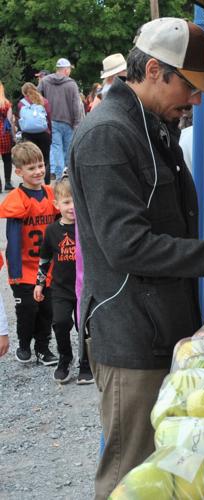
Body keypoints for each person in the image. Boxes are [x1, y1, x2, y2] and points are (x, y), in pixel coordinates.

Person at [69, 18, 204, 498]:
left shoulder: (154, 125)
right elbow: (128, 246)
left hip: (164, 327)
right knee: (131, 474)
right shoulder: (108, 133)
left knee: (168, 470)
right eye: (190, 85)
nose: (197, 100)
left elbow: (171, 223)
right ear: (155, 71)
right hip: (132, 337)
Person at [0, 141, 59, 365]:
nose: (38, 171)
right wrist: (14, 274)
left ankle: (43, 348)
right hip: (24, 267)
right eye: (31, 168)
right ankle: (24, 344)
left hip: (47, 267)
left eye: (41, 165)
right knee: (27, 309)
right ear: (18, 172)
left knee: (46, 309)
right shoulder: (18, 200)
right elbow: (13, 241)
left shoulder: (50, 194)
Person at [33, 176, 93, 384]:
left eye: (76, 200)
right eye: (67, 202)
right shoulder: (52, 231)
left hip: (85, 288)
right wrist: (39, 283)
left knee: (85, 326)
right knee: (60, 323)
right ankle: (65, 359)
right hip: (60, 289)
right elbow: (44, 259)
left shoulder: (87, 227)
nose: (72, 207)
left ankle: (86, 363)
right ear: (56, 204)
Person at [38, 57, 83, 180]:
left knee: (56, 147)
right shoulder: (71, 84)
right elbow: (76, 105)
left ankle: (57, 174)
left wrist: (44, 111)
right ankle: (68, 174)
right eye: (69, 69)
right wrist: (77, 123)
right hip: (68, 121)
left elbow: (37, 97)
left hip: (51, 120)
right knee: (68, 148)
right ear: (66, 70)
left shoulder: (45, 81)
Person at [18, 82, 52, 185]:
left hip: (28, 134)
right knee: (45, 158)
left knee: (30, 158)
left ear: (24, 93)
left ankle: (32, 181)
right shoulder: (44, 101)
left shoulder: (21, 103)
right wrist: (50, 131)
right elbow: (49, 118)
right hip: (43, 133)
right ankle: (46, 182)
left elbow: (20, 119)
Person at [0, 81, 15, 191]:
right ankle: (8, 182)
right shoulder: (6, 103)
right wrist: (14, 136)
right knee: (7, 159)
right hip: (4, 134)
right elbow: (9, 120)